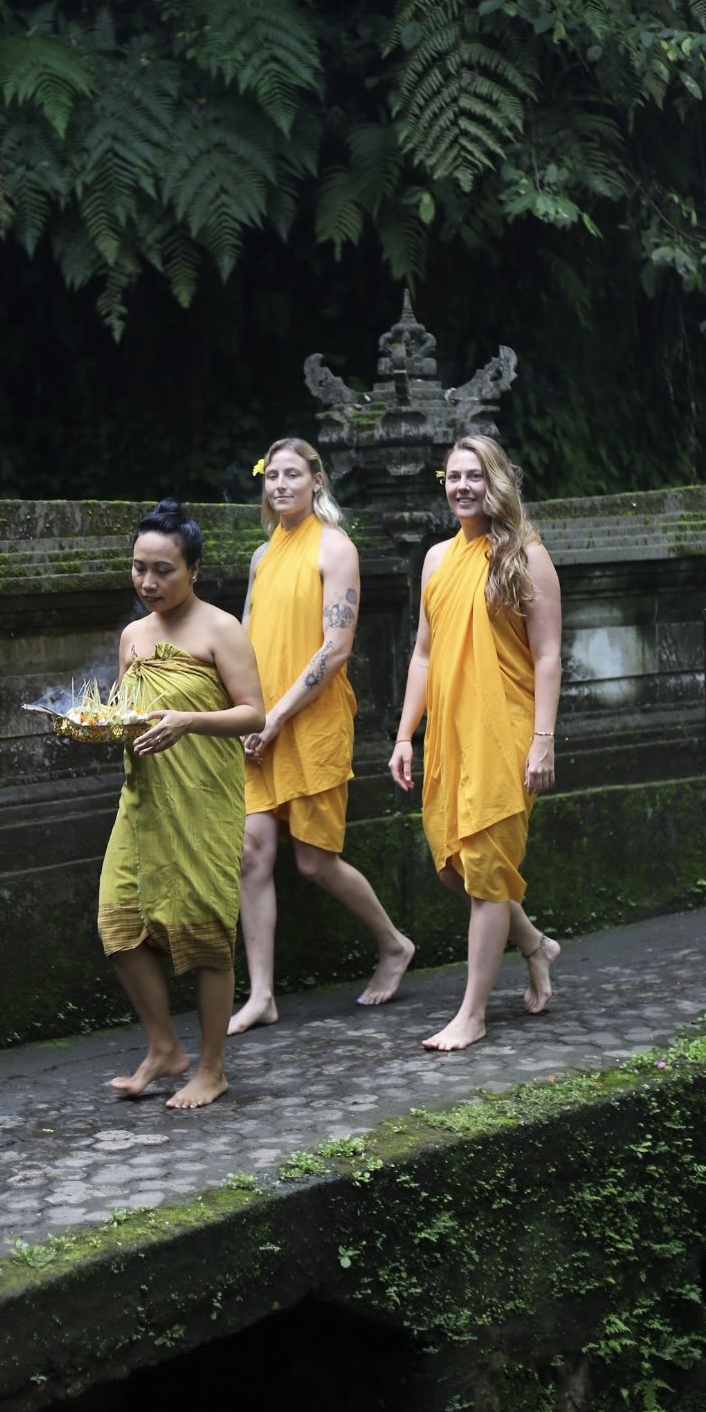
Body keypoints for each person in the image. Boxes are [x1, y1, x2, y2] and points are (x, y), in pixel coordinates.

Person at [227, 438, 414, 1036]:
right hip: (261, 719)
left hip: (309, 722)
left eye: (292, 475)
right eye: (272, 475)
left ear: (316, 481)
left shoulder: (334, 548)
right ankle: (261, 995)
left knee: (313, 862)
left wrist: (276, 716)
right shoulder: (263, 556)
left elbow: (335, 649)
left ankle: (393, 944)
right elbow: (245, 637)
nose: (280, 484)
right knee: (252, 852)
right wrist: (242, 712)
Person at [389, 435, 562, 1051]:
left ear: (498, 482)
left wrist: (542, 740)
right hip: (453, 730)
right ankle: (536, 945)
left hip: (508, 729)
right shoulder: (438, 559)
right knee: (455, 866)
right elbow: (423, 656)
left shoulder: (526, 555)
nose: (462, 487)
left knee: (487, 871)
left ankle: (473, 1013)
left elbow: (546, 656)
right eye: (454, 476)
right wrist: (406, 733)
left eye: (475, 477)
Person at [98, 499, 265, 1108]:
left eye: (163, 570)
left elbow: (254, 712)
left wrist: (188, 720)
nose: (148, 582)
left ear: (193, 568)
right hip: (142, 799)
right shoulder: (133, 636)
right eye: (139, 568)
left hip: (203, 799)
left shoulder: (221, 629)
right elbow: (125, 713)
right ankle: (165, 1048)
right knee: (117, 924)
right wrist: (97, 727)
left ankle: (213, 1068)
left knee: (204, 933)